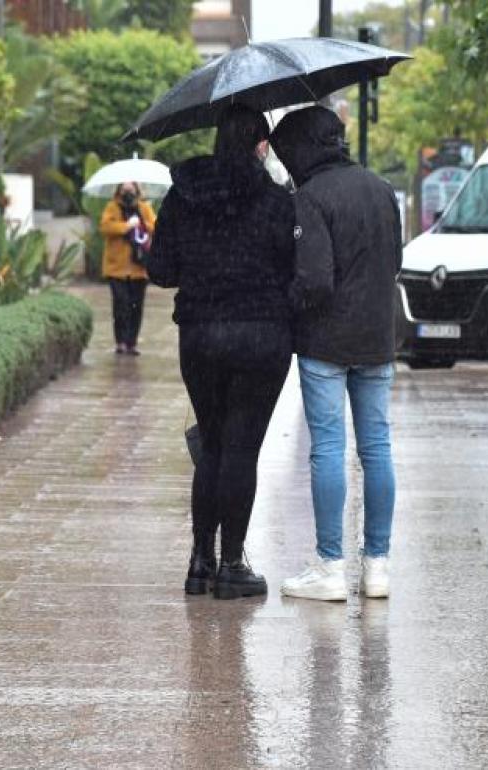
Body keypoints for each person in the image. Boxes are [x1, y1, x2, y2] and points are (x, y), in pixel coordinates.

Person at [149, 106, 296, 600]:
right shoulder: (278, 202)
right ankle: (233, 563)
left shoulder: (183, 196)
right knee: (241, 449)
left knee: (212, 445)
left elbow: (161, 269)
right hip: (261, 335)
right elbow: (293, 269)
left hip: (201, 334)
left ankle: (199, 562)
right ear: (260, 145)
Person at [270, 106, 403, 602]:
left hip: (325, 342)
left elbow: (315, 280)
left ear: (304, 148)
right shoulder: (382, 189)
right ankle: (378, 567)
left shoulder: (311, 197)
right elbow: (397, 259)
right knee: (377, 448)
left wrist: (289, 301)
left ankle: (329, 567)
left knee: (328, 447)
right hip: (377, 338)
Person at [100, 182, 156, 355]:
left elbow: (155, 226)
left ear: (137, 190)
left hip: (139, 268)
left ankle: (132, 342)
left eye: (131, 189)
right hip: (117, 268)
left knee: (136, 307)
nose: (128, 192)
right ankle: (120, 341)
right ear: (118, 191)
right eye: (124, 189)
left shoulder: (144, 207)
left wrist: (143, 224)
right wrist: (126, 226)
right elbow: (105, 227)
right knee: (120, 304)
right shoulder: (112, 207)